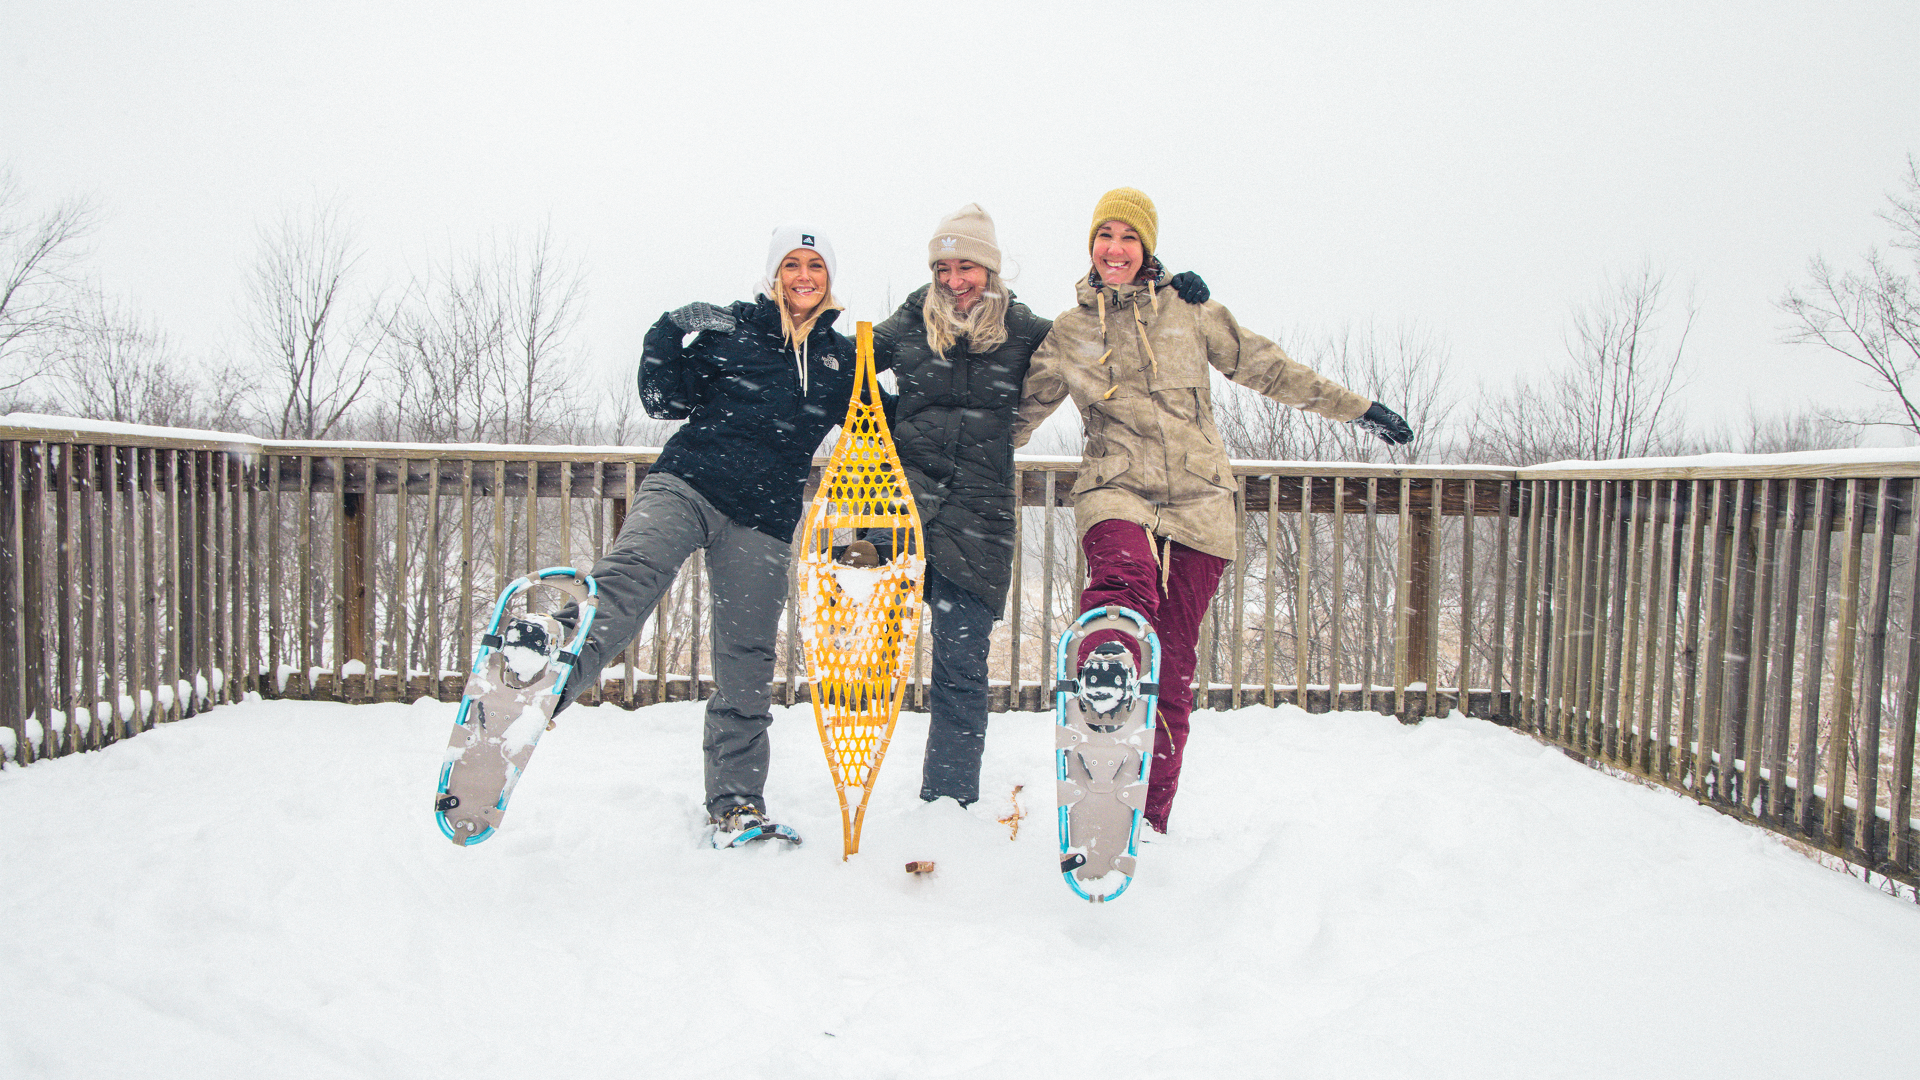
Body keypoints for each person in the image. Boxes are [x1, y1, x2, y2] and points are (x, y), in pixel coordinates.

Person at [1012, 187, 1412, 833]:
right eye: (1105, 235)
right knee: (1124, 582)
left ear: (1147, 247)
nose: (1114, 248)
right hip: (1117, 487)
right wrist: (937, 462)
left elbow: (1270, 369)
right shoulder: (1069, 333)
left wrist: (1360, 410)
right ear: (1091, 245)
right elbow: (1019, 415)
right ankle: (1106, 682)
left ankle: (1148, 819)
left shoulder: (1190, 310)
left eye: (1128, 237)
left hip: (1200, 501)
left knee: (1172, 666)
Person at [546, 224, 879, 843]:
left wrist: (907, 370)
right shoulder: (734, 331)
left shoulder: (840, 361)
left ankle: (736, 804)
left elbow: (879, 433)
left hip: (764, 519)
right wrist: (668, 331)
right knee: (631, 576)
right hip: (688, 485)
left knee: (746, 663)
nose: (803, 276)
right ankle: (542, 670)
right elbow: (663, 400)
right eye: (792, 264)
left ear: (829, 278)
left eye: (815, 266)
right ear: (774, 274)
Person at [869, 204, 1209, 807]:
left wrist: (1166, 294)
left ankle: (947, 802)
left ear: (990, 269)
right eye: (943, 268)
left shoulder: (1026, 331)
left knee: (960, 666)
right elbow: (843, 374)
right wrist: (894, 425)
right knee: (865, 654)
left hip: (979, 518)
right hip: (902, 509)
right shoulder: (907, 323)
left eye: (967, 267)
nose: (954, 281)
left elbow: (1104, 334)